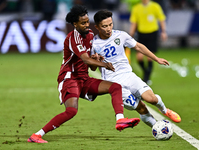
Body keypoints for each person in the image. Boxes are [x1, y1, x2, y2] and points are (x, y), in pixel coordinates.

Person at [27, 5, 140, 143]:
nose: (87, 25)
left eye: (87, 21)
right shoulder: (73, 38)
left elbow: (91, 66)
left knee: (115, 87)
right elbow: (84, 58)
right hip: (70, 78)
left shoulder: (91, 35)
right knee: (71, 111)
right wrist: (103, 64)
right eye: (83, 23)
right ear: (75, 24)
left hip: (84, 78)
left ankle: (120, 120)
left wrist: (96, 58)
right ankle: (37, 135)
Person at [91, 10, 181, 128]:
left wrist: (156, 58)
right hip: (114, 84)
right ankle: (157, 128)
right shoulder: (93, 44)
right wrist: (96, 60)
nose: (109, 29)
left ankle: (165, 110)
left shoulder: (121, 35)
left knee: (151, 99)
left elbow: (138, 46)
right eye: (104, 26)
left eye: (110, 24)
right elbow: (92, 68)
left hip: (128, 76)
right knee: (141, 107)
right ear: (97, 26)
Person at [129, 0, 167, 84]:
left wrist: (163, 31)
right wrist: (131, 34)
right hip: (141, 34)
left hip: (152, 33)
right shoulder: (136, 8)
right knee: (139, 58)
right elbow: (134, 22)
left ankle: (146, 78)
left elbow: (161, 19)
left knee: (150, 57)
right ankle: (146, 72)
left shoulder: (155, 6)